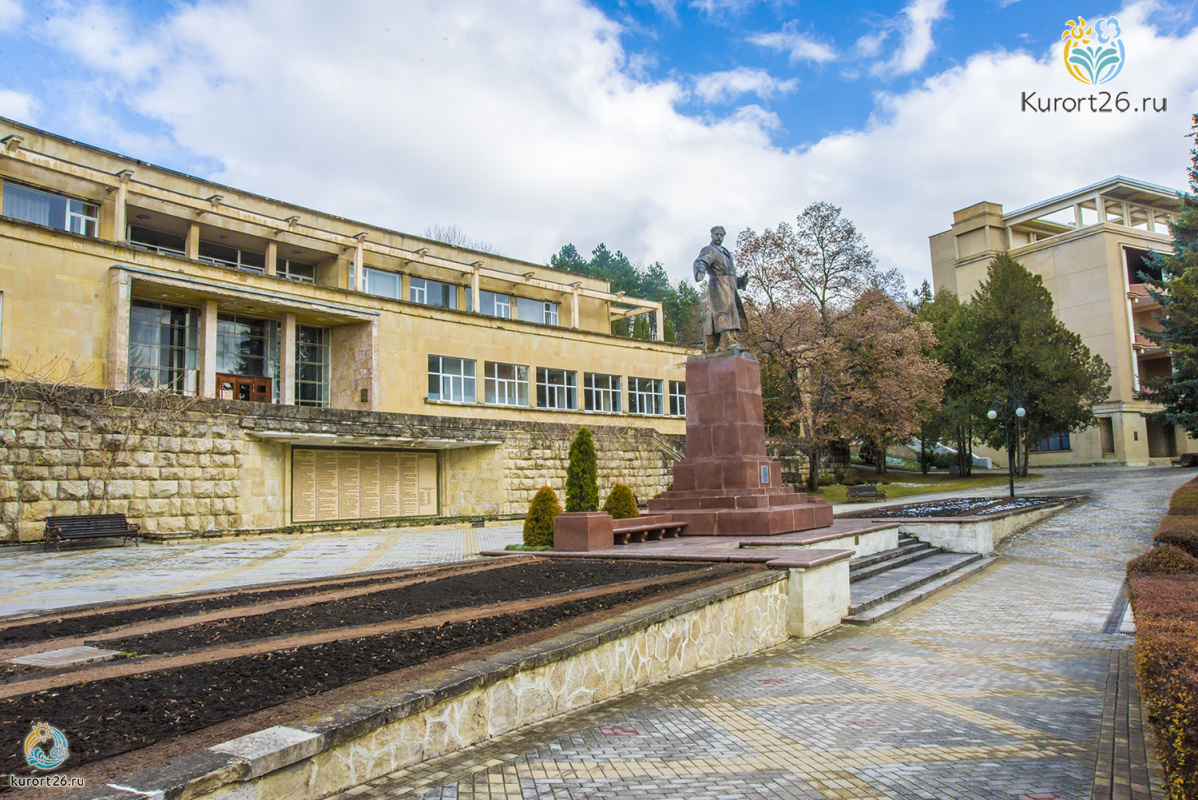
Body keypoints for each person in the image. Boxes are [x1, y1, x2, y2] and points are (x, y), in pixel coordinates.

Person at [693, 225, 748, 353]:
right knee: (724, 313)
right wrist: (699, 271)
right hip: (717, 285)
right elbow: (700, 261)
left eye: (721, 235)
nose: (719, 237)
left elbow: (731, 275)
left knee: (715, 316)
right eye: (716, 234)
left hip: (729, 287)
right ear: (711, 235)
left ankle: (709, 347)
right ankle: (731, 343)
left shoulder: (726, 253)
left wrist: (742, 281)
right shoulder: (710, 249)